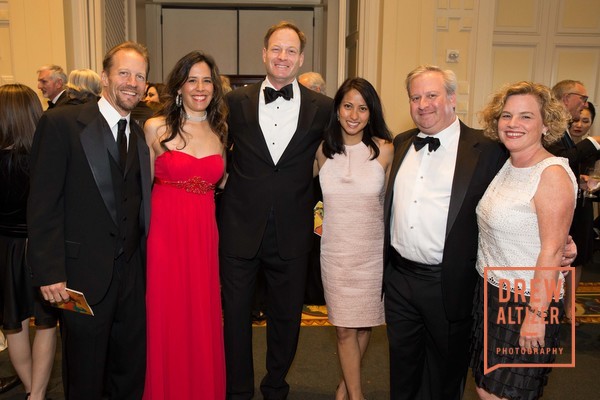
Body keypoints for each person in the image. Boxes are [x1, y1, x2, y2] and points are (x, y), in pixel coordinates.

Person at [27, 41, 151, 399]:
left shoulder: (140, 134)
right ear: (104, 77)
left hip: (131, 279)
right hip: (80, 278)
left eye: (139, 76)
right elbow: (42, 203)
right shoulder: (62, 123)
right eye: (123, 73)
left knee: (127, 371)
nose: (132, 82)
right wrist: (49, 271)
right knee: (84, 374)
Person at [219, 21, 332, 399]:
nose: (283, 57)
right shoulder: (234, 101)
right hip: (239, 227)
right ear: (264, 54)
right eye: (276, 49)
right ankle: (238, 390)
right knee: (234, 318)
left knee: (286, 319)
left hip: (293, 229)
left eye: (291, 51)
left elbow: (338, 155)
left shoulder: (323, 108)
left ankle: (275, 386)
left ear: (301, 58)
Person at [383, 64, 509, 400]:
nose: (422, 104)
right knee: (402, 369)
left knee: (445, 374)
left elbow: (518, 196)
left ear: (452, 98)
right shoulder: (402, 142)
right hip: (399, 280)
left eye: (431, 95)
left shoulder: (487, 149)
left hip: (449, 281)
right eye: (415, 97)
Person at [471, 81, 575, 400]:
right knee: (484, 387)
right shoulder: (508, 163)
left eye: (526, 116)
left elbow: (553, 249)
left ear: (546, 125)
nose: (513, 124)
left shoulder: (552, 174)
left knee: (506, 394)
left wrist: (537, 314)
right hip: (489, 292)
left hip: (526, 301)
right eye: (507, 115)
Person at [143, 51, 227, 399]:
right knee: (167, 316)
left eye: (207, 80)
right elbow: (139, 191)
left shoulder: (221, 130)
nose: (200, 87)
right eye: (192, 79)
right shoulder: (154, 127)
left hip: (204, 237)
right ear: (178, 85)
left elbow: (222, 184)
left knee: (201, 317)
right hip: (165, 236)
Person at [315, 77, 393, 400]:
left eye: (362, 108)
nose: (354, 114)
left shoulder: (385, 150)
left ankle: (345, 389)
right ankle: (356, 397)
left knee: (364, 325)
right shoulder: (322, 151)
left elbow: (388, 202)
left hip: (371, 252)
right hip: (335, 252)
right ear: (337, 109)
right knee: (345, 326)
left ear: (370, 113)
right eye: (348, 105)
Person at [1, 84, 59, 400]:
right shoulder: (44, 156)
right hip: (42, 247)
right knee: (47, 323)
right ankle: (37, 394)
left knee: (15, 324)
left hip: (5, 250)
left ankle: (28, 389)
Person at [548, 80, 599, 326]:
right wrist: (594, 143)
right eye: (583, 97)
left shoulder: (564, 129)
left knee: (573, 257)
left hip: (575, 203)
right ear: (567, 98)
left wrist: (580, 180)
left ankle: (562, 304)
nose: (585, 103)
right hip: (556, 207)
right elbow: (559, 160)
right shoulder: (552, 129)